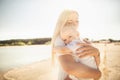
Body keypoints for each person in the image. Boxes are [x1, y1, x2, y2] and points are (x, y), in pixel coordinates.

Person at [51, 10, 101, 80]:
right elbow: (70, 68)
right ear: (62, 22)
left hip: (85, 72)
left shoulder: (76, 40)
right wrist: (97, 73)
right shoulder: (61, 37)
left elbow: (64, 49)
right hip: (85, 72)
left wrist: (97, 53)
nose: (74, 24)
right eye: (70, 22)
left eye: (77, 21)